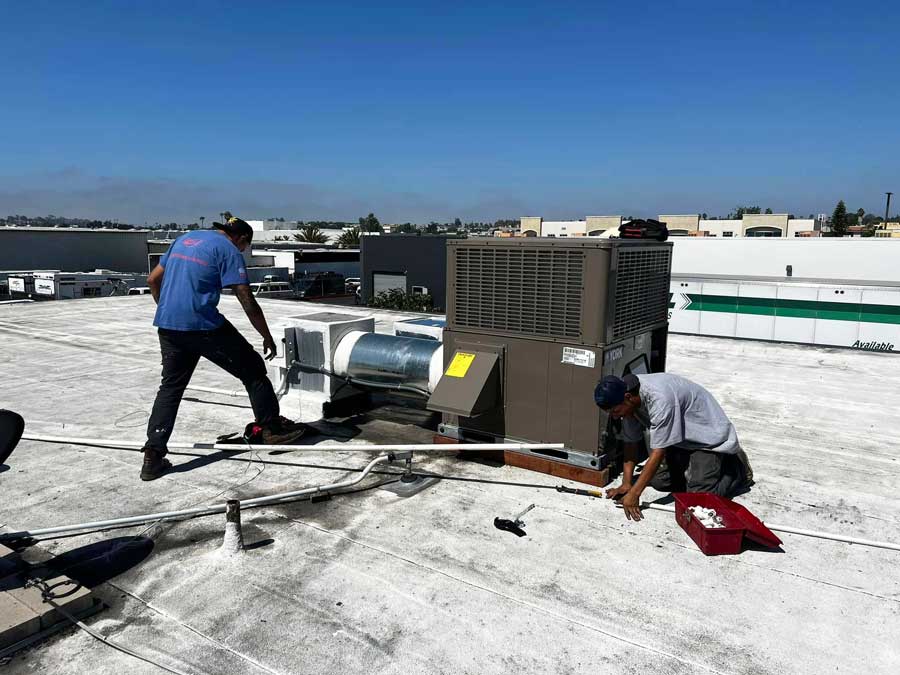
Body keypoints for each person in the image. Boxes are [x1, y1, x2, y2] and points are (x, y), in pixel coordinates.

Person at [141, 215, 306, 481]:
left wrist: (168, 311)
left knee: (170, 387)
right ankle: (270, 429)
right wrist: (266, 336)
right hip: (204, 326)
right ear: (241, 238)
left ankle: (153, 454)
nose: (243, 251)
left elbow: (152, 280)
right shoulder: (228, 250)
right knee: (253, 369)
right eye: (245, 246)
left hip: (168, 326)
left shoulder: (183, 239)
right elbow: (245, 296)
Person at [595, 373, 753, 521]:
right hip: (681, 439)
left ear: (628, 397)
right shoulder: (627, 398)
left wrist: (635, 494)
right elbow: (630, 443)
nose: (615, 416)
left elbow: (658, 451)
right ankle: (697, 473)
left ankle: (736, 470)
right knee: (659, 481)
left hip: (708, 439)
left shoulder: (660, 400)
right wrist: (627, 483)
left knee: (699, 500)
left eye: (616, 411)